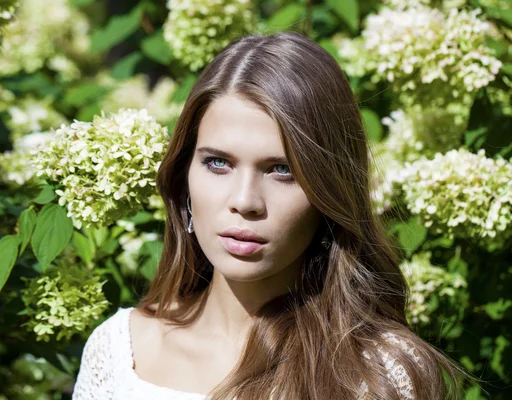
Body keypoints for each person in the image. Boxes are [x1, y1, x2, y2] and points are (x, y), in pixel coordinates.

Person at [72, 31, 467, 399]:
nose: (245, 201)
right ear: (183, 178)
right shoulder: (118, 353)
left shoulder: (378, 374)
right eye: (217, 163)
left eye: (282, 170)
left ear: (328, 192)